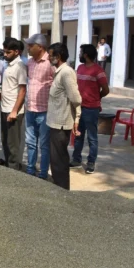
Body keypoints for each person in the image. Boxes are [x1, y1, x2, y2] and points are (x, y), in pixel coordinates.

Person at [47, 43, 82, 190]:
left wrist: (77, 118)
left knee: (59, 160)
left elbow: (76, 98)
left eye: (50, 55)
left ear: (58, 56)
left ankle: (61, 190)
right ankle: (59, 187)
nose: (48, 58)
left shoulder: (66, 72)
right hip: (55, 122)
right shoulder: (59, 72)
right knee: (55, 160)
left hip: (61, 123)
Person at [71, 44, 109, 174]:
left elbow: (105, 89)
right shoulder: (80, 68)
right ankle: (76, 160)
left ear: (86, 54)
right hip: (79, 107)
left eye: (81, 52)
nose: (79, 54)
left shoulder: (98, 70)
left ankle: (91, 162)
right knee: (78, 135)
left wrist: (96, 98)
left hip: (91, 109)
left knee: (92, 138)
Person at [25, 33, 54, 179]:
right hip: (30, 109)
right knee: (30, 143)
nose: (28, 48)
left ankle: (43, 173)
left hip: (45, 111)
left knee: (44, 145)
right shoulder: (30, 62)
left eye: (31, 46)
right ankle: (30, 170)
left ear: (40, 47)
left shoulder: (50, 63)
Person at [0, 38, 27, 170]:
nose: (5, 55)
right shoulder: (9, 65)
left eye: (8, 52)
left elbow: (22, 90)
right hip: (4, 108)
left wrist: (14, 111)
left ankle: (14, 171)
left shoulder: (20, 66)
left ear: (16, 52)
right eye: (4, 52)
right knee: (5, 141)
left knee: (13, 144)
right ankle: (8, 169)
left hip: (13, 111)